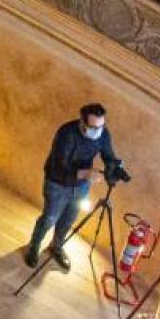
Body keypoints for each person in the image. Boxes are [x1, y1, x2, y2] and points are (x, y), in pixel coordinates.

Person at [25, 102, 125, 270]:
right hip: (57, 183)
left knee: (69, 218)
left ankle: (56, 247)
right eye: (93, 127)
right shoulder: (66, 134)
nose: (98, 131)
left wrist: (113, 167)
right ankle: (33, 247)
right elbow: (58, 169)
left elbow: (108, 155)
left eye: (101, 126)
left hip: (81, 187)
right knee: (50, 218)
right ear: (82, 122)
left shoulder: (102, 134)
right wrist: (86, 174)